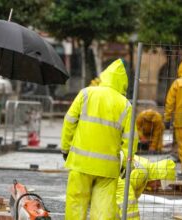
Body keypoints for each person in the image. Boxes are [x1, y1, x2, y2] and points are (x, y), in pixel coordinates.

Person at [61, 58, 138, 220]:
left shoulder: (86, 93)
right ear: (122, 82)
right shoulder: (125, 105)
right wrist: (125, 163)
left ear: (105, 76)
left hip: (80, 163)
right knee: (103, 211)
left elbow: (69, 121)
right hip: (108, 168)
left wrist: (65, 148)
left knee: (76, 204)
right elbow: (130, 140)